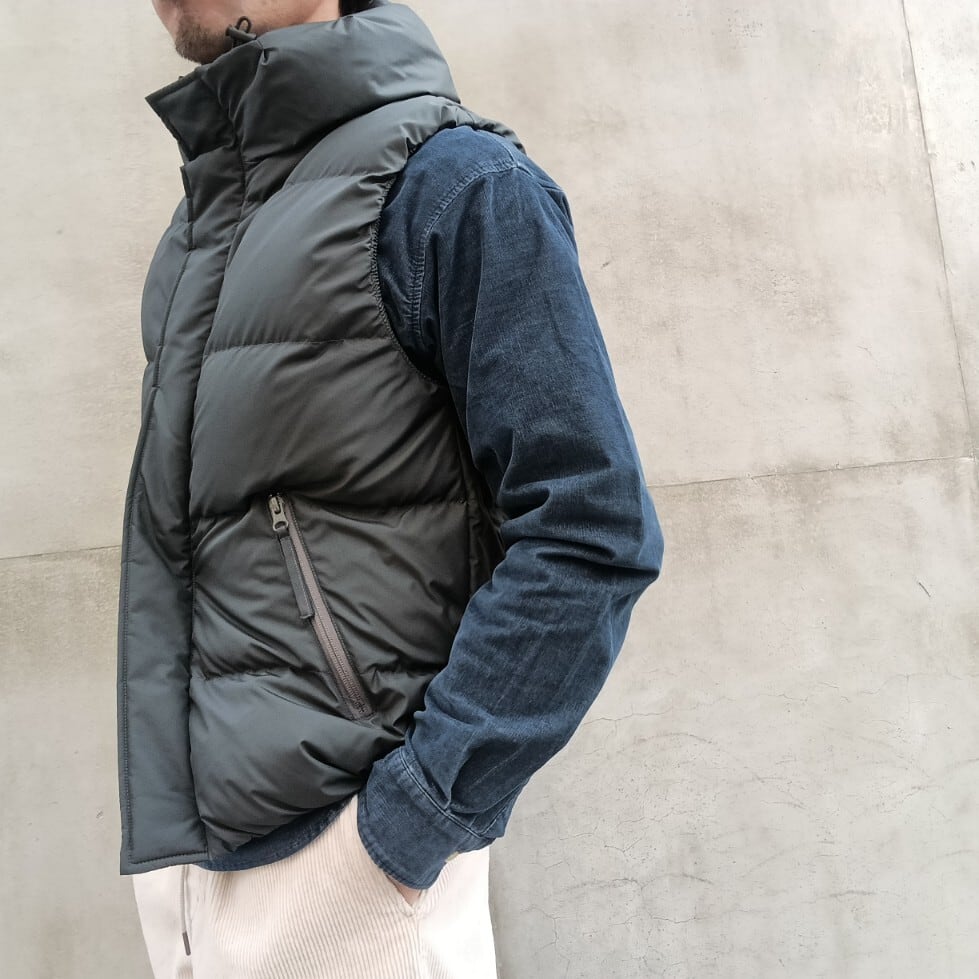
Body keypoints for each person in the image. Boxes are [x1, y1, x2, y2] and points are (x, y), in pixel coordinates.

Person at [118, 1, 665, 976]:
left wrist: (405, 827)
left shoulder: (454, 185)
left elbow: (589, 531)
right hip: (189, 879)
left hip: (349, 875)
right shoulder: (202, 229)